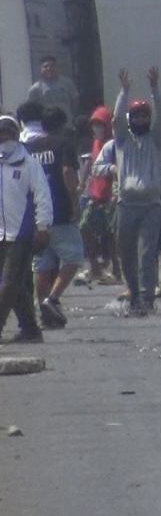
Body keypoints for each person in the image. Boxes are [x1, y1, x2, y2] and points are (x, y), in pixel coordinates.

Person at [95, 66, 161, 317]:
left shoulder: (155, 140)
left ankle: (148, 298)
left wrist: (155, 90)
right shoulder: (122, 141)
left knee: (147, 253)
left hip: (151, 205)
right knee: (125, 251)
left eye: (143, 116)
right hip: (126, 204)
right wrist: (123, 92)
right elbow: (116, 120)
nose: (140, 120)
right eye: (135, 117)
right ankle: (134, 292)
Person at [17, 102, 81, 329]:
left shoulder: (28, 148)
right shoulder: (63, 143)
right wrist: (75, 202)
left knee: (42, 263)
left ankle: (44, 313)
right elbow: (67, 172)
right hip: (60, 210)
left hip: (35, 214)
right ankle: (51, 300)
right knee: (74, 257)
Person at [0, 115, 53, 344]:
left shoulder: (29, 163)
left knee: (9, 283)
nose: (5, 139)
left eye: (8, 134)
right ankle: (31, 329)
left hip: (20, 233)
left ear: (16, 135)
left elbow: (43, 196)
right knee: (19, 285)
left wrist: (43, 227)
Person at [80, 106, 120, 283]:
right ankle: (95, 267)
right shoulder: (96, 143)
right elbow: (90, 163)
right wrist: (83, 185)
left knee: (112, 237)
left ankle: (116, 270)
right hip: (95, 197)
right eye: (94, 125)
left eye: (100, 124)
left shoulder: (113, 144)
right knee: (84, 228)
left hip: (110, 197)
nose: (97, 128)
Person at [27, 55, 79, 121]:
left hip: (66, 124)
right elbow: (31, 108)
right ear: (40, 69)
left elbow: (75, 100)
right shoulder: (35, 89)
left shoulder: (67, 83)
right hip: (46, 126)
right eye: (45, 67)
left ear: (56, 67)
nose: (49, 68)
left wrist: (72, 115)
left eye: (52, 66)